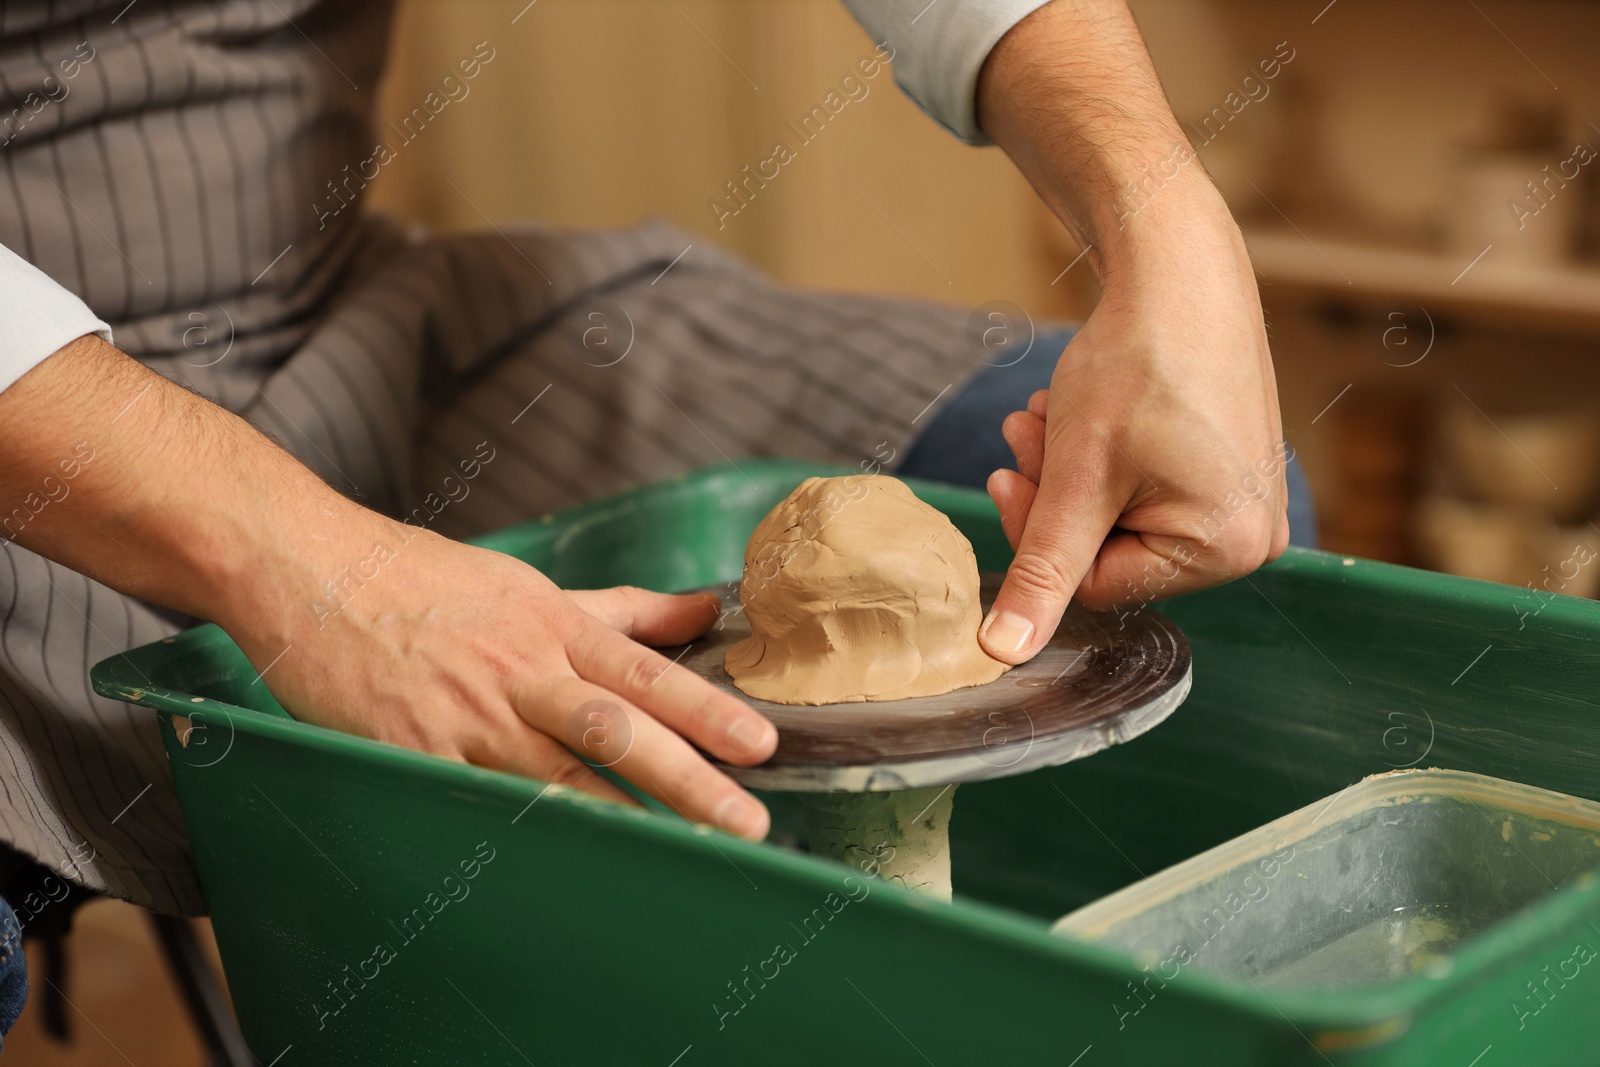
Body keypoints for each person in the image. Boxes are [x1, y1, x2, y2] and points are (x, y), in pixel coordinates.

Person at [0, 0, 1308, 1029]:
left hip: (337, 322)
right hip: (34, 423)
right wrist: (304, 560)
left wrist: (1168, 221)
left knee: (1153, 482)